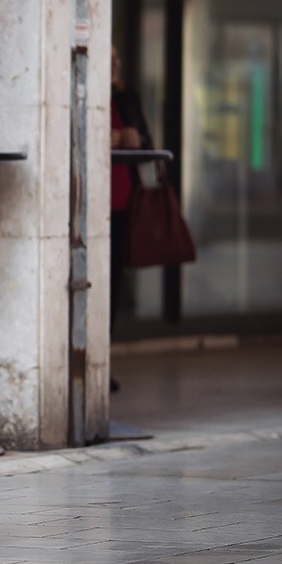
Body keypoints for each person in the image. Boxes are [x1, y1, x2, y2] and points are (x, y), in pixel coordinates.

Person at [109, 44, 152, 391]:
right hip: (88, 205)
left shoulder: (126, 98)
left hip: (122, 204)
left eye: (117, 58)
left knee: (112, 285)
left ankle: (101, 362)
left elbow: (146, 141)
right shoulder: (80, 93)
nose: (116, 63)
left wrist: (132, 138)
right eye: (109, 58)